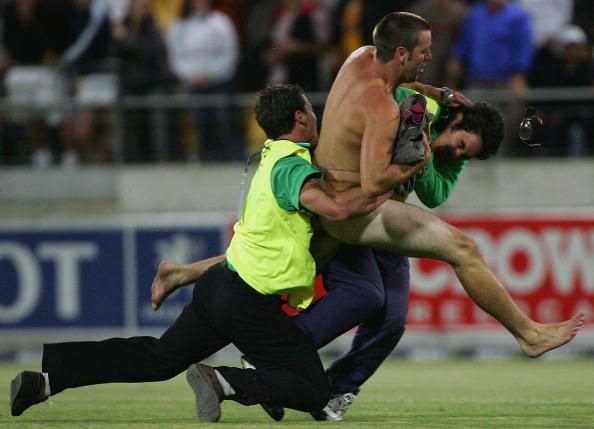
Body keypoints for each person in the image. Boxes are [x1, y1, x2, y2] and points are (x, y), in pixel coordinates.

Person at [9, 84, 392, 422]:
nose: (315, 114)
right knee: (312, 392)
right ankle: (224, 380)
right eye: (310, 108)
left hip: (219, 288)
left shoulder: (267, 159)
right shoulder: (291, 166)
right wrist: (390, 181)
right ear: (299, 117)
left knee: (158, 359)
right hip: (248, 303)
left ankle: (45, 381)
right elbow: (339, 209)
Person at [150, 90, 506, 421]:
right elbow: (395, 90)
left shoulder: (441, 148)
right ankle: (276, 364)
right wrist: (435, 102)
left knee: (392, 320)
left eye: (465, 156)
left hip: (385, 223)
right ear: (455, 119)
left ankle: (328, 386)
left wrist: (422, 151)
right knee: (331, 281)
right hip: (349, 210)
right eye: (460, 144)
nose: (456, 156)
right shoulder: (422, 103)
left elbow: (434, 193)